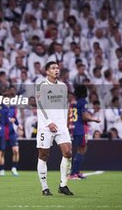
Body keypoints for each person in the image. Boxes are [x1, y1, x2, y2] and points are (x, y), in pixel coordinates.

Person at [35, 61, 73, 196]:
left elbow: (65, 106)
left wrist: (66, 124)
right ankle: (44, 187)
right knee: (44, 155)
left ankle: (63, 185)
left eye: (57, 68)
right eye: (53, 68)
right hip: (46, 127)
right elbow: (40, 106)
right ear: (47, 71)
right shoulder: (41, 86)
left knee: (68, 152)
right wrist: (49, 122)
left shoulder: (63, 86)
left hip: (61, 126)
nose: (56, 70)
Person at [68, 85, 100, 180]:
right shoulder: (83, 102)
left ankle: (76, 172)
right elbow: (84, 117)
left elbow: (69, 116)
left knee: (80, 149)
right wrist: (94, 119)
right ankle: (74, 173)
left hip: (74, 128)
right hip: (81, 128)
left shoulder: (73, 103)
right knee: (82, 150)